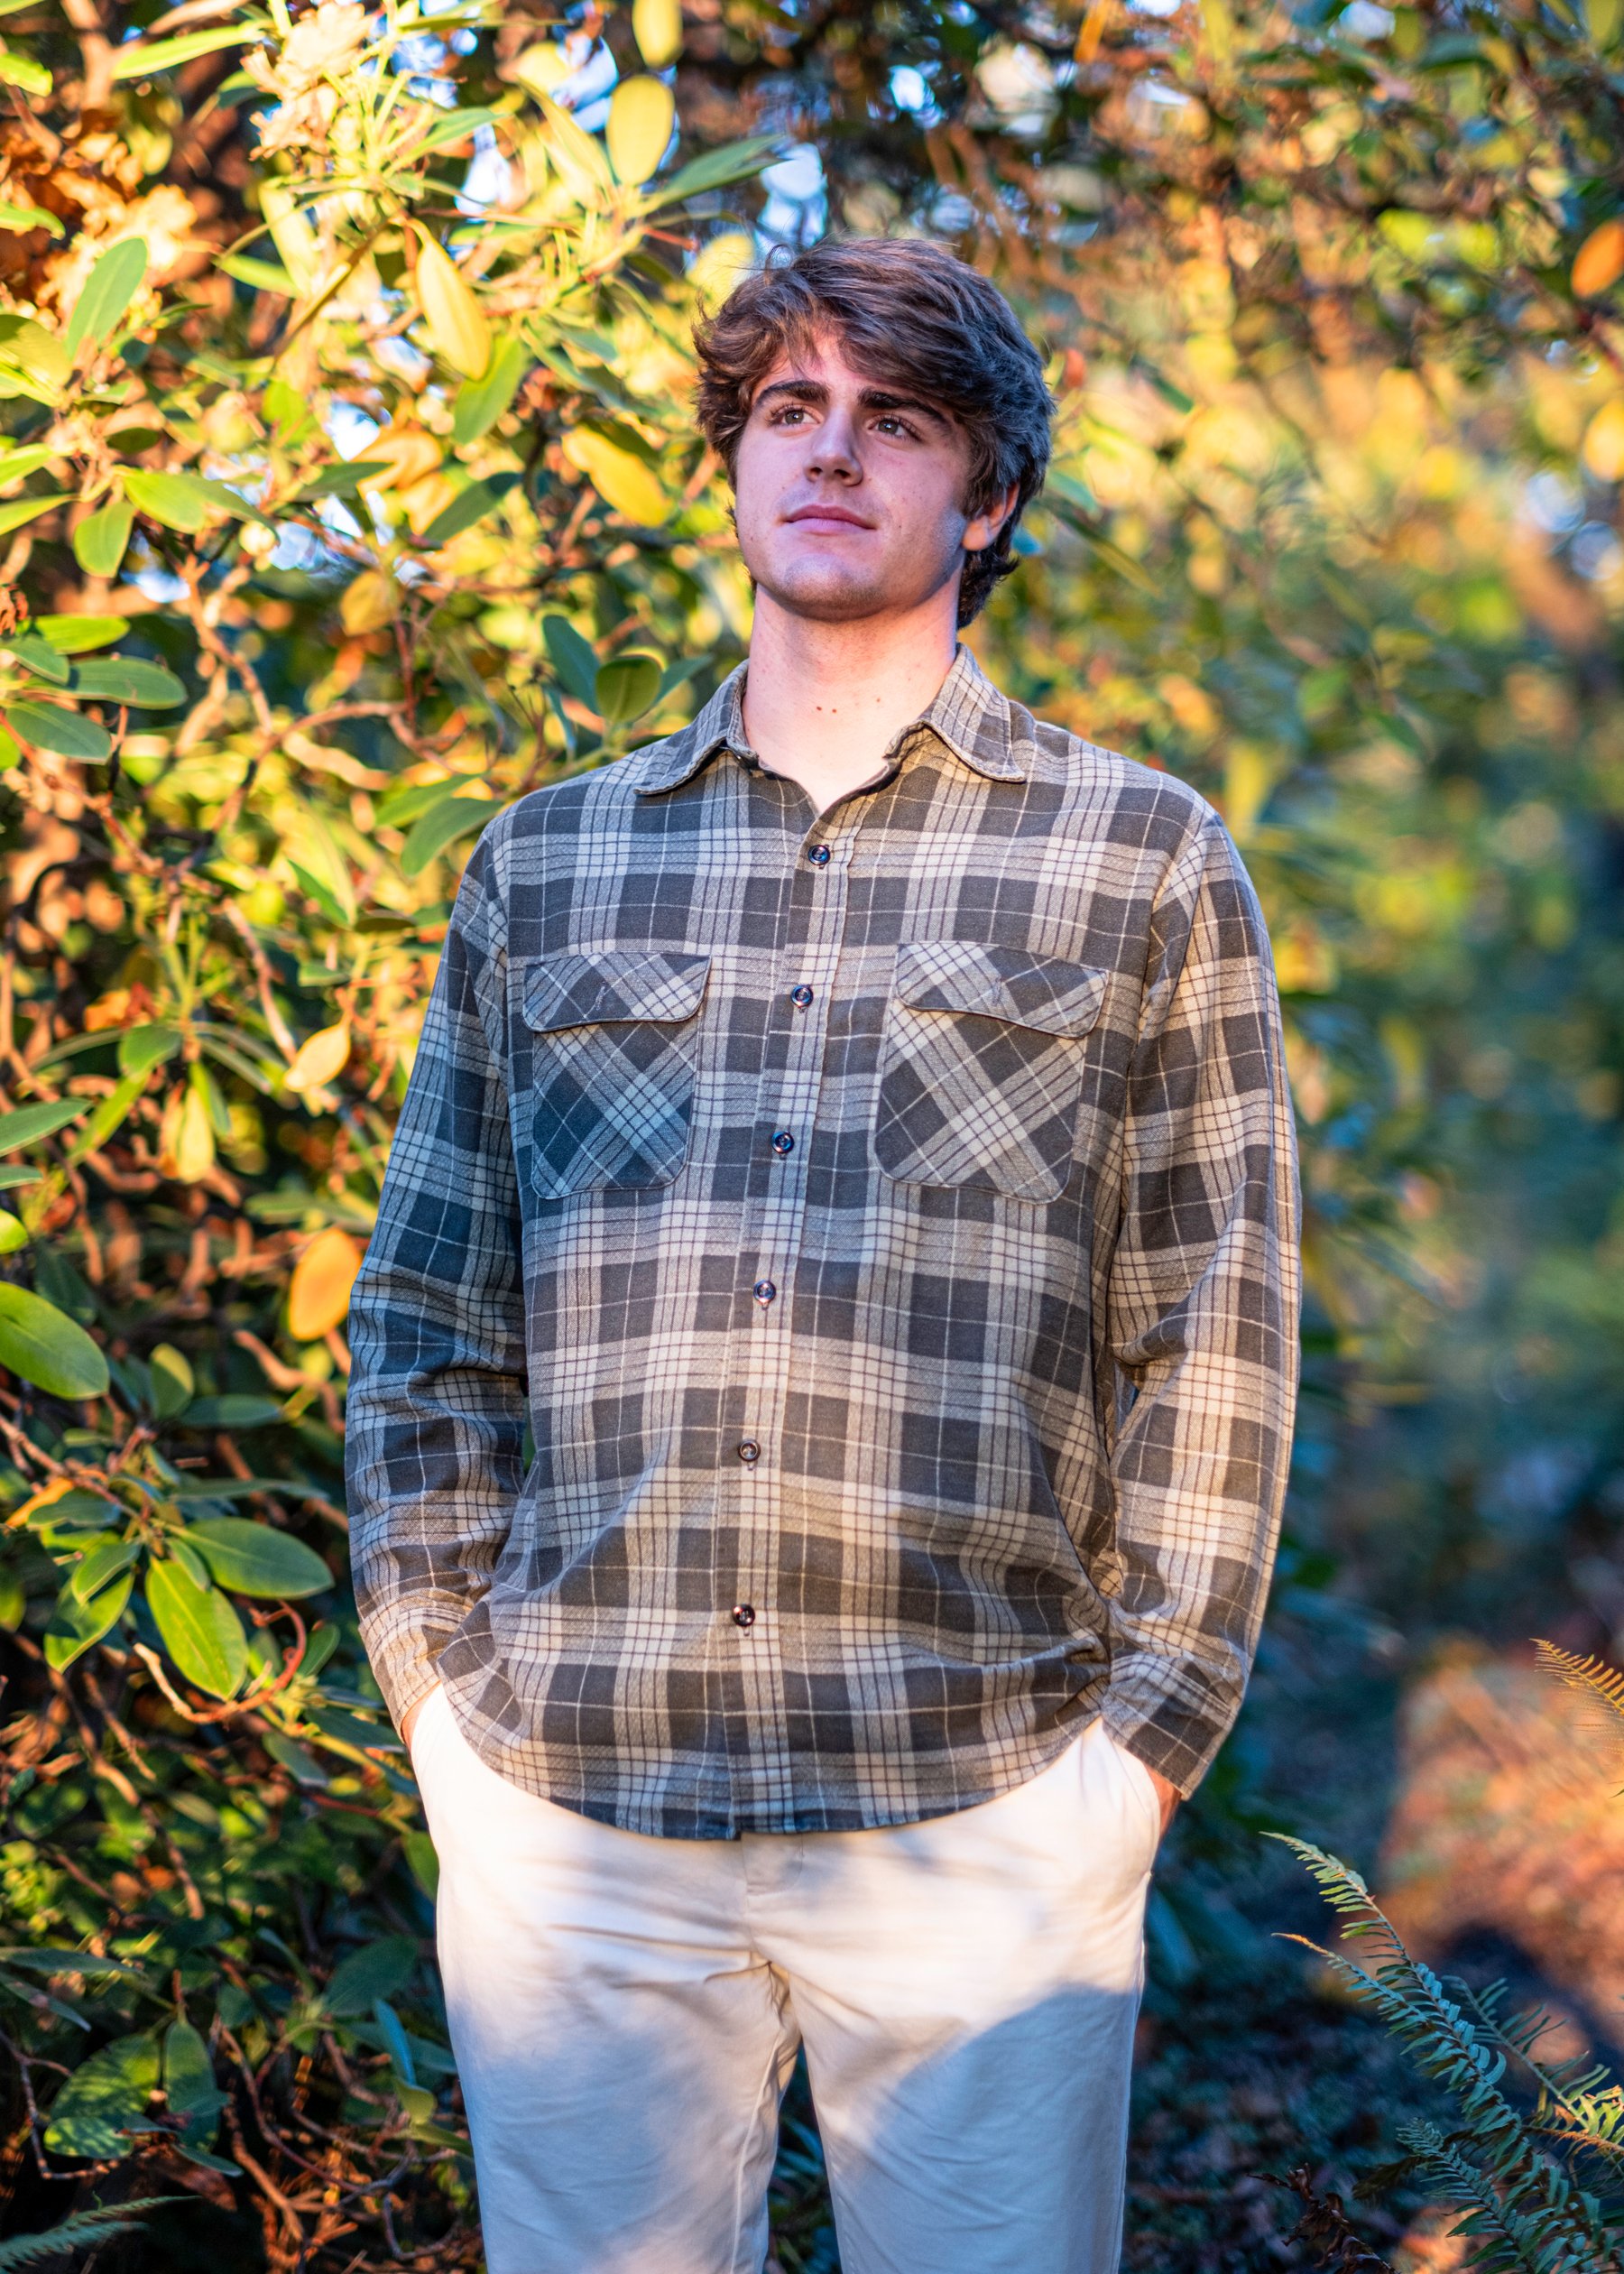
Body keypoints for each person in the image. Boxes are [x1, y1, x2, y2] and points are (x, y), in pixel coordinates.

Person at [344, 235, 1302, 2274]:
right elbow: (431, 1316)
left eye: (900, 418)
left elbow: (1210, 1328)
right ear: (734, 465)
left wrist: (1130, 1765)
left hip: (979, 1806)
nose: (835, 452)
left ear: (992, 496)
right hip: (573, 1812)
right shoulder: (545, 860)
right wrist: (442, 1706)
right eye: (791, 410)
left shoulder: (1142, 859)